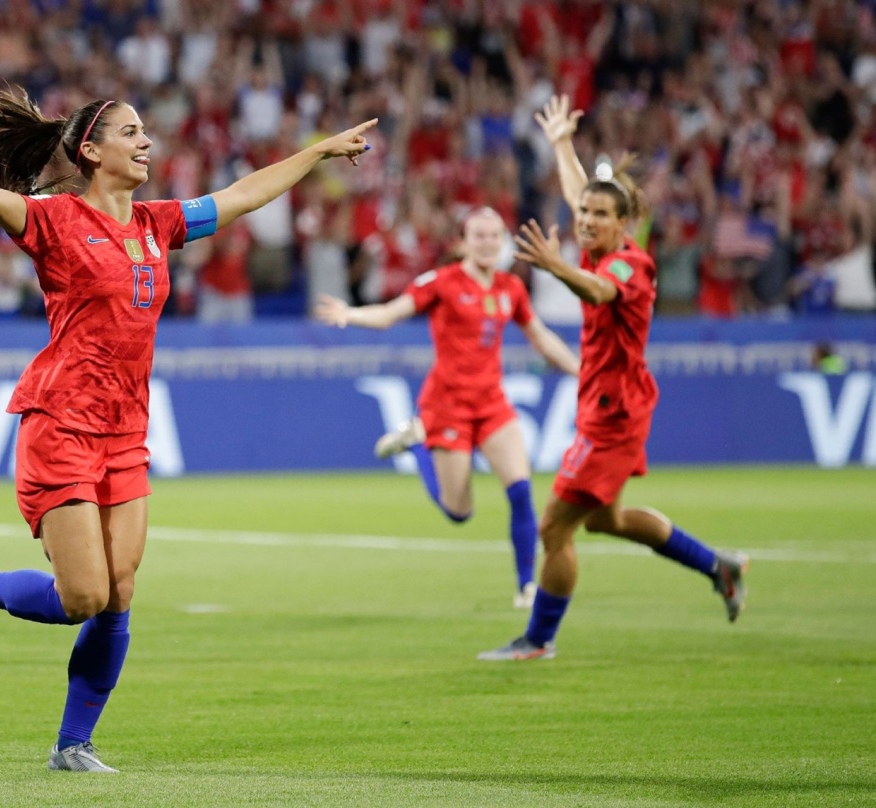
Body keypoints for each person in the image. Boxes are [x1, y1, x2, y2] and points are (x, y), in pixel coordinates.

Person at [0, 87, 376, 771]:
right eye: (130, 132)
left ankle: (72, 745)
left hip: (125, 432)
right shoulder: (56, 219)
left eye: (146, 131)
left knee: (120, 591)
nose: (146, 141)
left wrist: (318, 150)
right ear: (91, 150)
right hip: (60, 424)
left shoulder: (158, 224)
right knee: (81, 596)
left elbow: (242, 195)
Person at [481, 95, 749, 662]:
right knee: (608, 520)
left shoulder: (628, 264)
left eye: (600, 216)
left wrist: (557, 268)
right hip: (608, 405)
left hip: (614, 416)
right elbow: (581, 193)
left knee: (555, 529)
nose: (587, 220)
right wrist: (559, 143)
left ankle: (538, 640)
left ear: (624, 224)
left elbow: (599, 290)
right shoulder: (599, 242)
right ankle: (718, 566)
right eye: (584, 215)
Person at [315, 207, 580, 609]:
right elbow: (391, 313)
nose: (488, 243)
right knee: (459, 512)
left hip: (491, 404)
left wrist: (582, 371)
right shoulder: (442, 282)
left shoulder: (511, 288)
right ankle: (418, 441)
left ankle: (527, 586)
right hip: (447, 406)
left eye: (494, 236)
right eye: (479, 236)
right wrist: (349, 314)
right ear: (463, 242)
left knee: (521, 490)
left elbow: (541, 337)